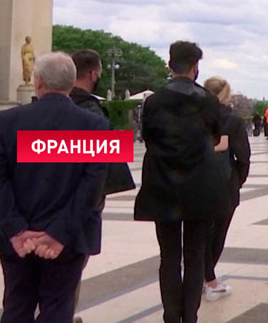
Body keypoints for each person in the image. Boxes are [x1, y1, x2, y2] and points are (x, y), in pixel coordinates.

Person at [0, 52, 109, 322]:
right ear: (70, 83)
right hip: (69, 238)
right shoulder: (96, 125)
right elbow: (93, 189)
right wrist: (58, 233)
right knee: (58, 308)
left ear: (38, 81)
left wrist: (17, 230)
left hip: (17, 239)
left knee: (17, 306)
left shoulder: (6, 121)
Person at [134, 41, 228, 323]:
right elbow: (214, 137)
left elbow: (148, 137)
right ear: (196, 67)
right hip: (199, 184)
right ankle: (190, 316)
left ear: (169, 64)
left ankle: (171, 316)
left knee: (169, 256)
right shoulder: (207, 100)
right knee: (196, 254)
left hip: (163, 183)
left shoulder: (153, 101)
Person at [69, 50, 136, 322]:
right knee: (70, 270)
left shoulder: (20, 117)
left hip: (34, 208)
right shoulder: (94, 117)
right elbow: (104, 174)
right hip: (78, 209)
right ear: (94, 74)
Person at [202, 76, 251, 300]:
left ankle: (202, 276)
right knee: (217, 233)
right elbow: (243, 157)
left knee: (199, 233)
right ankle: (209, 279)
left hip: (196, 181)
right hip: (224, 183)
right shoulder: (231, 121)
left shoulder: (194, 116)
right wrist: (237, 181)